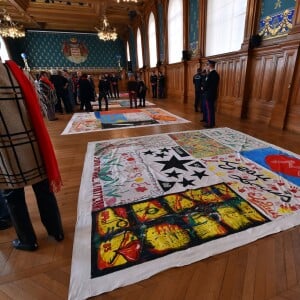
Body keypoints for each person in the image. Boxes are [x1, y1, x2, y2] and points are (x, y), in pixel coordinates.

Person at [0, 60, 64, 251]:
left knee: (13, 195)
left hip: (4, 147)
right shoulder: (16, 71)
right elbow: (40, 106)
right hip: (32, 140)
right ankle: (56, 231)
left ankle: (28, 240)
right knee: (44, 189)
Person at [203, 60, 220, 128]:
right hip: (213, 94)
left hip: (209, 94)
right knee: (211, 109)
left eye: (207, 65)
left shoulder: (210, 74)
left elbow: (206, 85)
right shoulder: (216, 74)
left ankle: (210, 123)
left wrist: (203, 88)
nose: (206, 66)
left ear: (210, 65)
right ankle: (212, 122)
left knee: (209, 109)